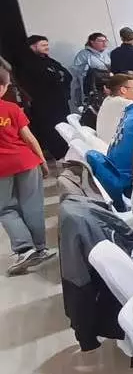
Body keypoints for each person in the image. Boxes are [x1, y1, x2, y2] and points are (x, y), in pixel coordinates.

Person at [0, 67, 56, 275]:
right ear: (3, 87)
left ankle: (24, 249)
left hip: (2, 168)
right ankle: (40, 248)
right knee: (32, 205)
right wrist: (42, 160)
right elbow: (29, 138)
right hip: (26, 161)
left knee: (5, 209)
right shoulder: (12, 108)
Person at [18, 35, 73, 160]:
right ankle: (59, 154)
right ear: (33, 47)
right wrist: (57, 78)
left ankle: (69, 151)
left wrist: (59, 79)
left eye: (47, 45)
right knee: (51, 128)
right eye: (43, 45)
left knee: (65, 125)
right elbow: (38, 82)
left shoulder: (50, 61)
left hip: (60, 101)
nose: (47, 47)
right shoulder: (27, 64)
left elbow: (66, 74)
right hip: (44, 103)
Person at [70, 32, 111, 112]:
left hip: (108, 85)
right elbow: (78, 73)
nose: (104, 43)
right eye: (100, 41)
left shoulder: (107, 52)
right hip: (93, 87)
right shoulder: (84, 54)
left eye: (105, 41)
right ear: (92, 42)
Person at [96, 73, 133, 144]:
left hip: (105, 143)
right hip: (113, 146)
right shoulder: (127, 104)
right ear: (123, 90)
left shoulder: (108, 100)